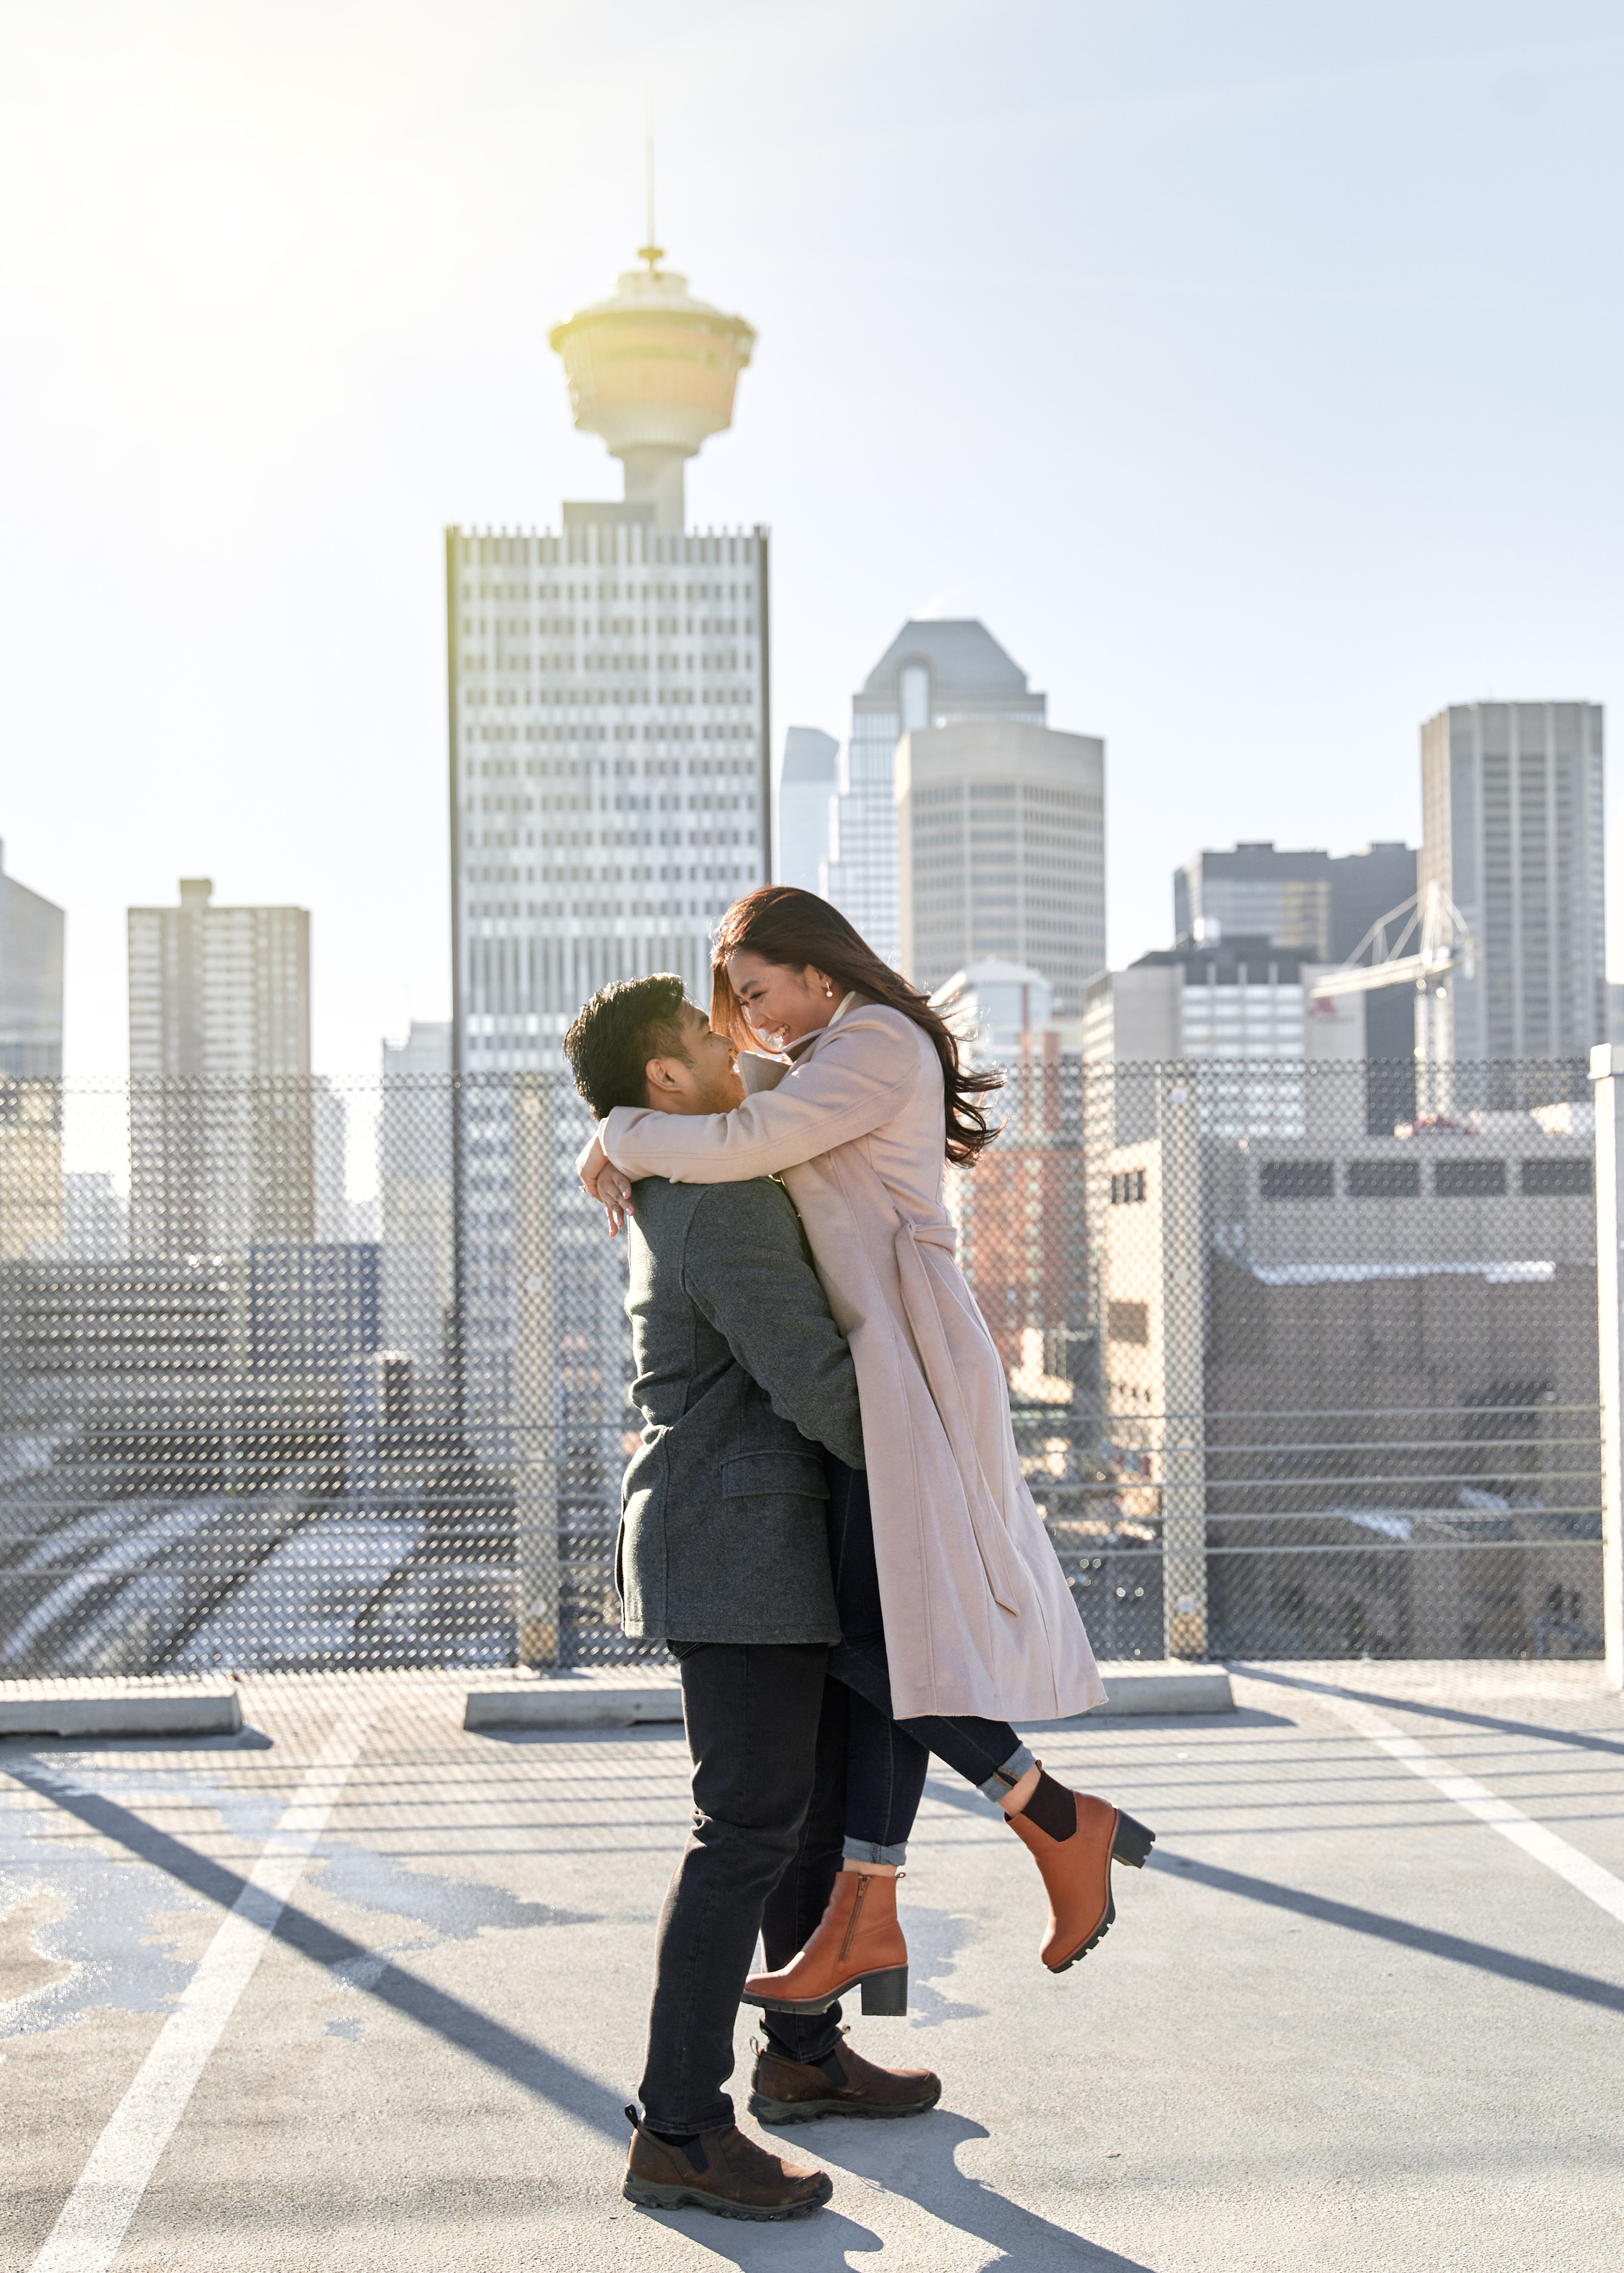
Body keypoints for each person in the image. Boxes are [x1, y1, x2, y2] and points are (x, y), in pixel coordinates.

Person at [575, 888, 1154, 2001]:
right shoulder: (830, 1048)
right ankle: (884, 1903)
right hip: (880, 1361)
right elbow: (734, 1092)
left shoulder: (876, 1044)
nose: (747, 1022)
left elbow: (748, 1134)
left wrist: (620, 1134)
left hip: (907, 1360)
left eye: (756, 994)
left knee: (875, 1643)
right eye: (730, 1006)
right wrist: (625, 1125)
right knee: (888, 1643)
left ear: (817, 971)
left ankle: (1049, 1824)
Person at [563, 975, 941, 2225]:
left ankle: (803, 2054)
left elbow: (790, 1099)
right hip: (735, 1547)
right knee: (744, 1829)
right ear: (665, 1081)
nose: (732, 1041)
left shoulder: (691, 1164)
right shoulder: (715, 1208)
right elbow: (820, 1386)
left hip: (767, 1541)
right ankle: (676, 2127)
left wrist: (609, 1133)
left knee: (811, 1809)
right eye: (701, 1037)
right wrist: (938, 1435)